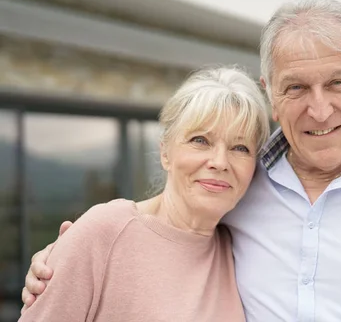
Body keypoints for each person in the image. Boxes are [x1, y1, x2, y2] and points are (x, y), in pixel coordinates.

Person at [22, 0, 341, 321]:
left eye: (337, 83)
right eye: (297, 87)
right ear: (273, 95)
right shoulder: (241, 194)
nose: (319, 108)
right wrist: (70, 254)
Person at [18, 67, 271, 321]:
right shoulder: (103, 232)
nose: (220, 161)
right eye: (200, 140)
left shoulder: (240, 247)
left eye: (240, 147)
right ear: (165, 153)